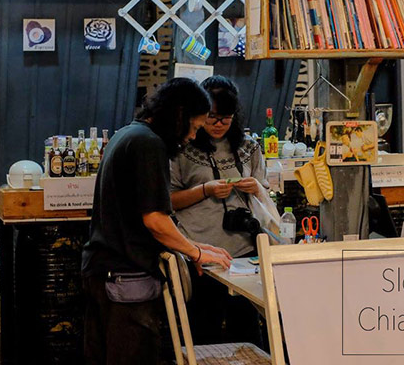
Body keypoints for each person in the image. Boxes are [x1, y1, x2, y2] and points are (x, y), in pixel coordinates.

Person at [82, 78, 232, 365]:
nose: (192, 136)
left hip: (103, 272)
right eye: (194, 127)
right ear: (179, 116)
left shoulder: (128, 133)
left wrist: (194, 246)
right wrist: (195, 252)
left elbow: (138, 214)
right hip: (126, 278)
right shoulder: (149, 144)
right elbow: (154, 220)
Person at [169, 75, 267, 345]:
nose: (218, 124)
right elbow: (168, 201)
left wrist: (255, 187)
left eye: (226, 118)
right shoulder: (182, 148)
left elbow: (266, 196)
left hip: (244, 253)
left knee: (248, 331)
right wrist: (205, 190)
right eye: (212, 117)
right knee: (204, 331)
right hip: (200, 252)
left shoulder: (249, 147)